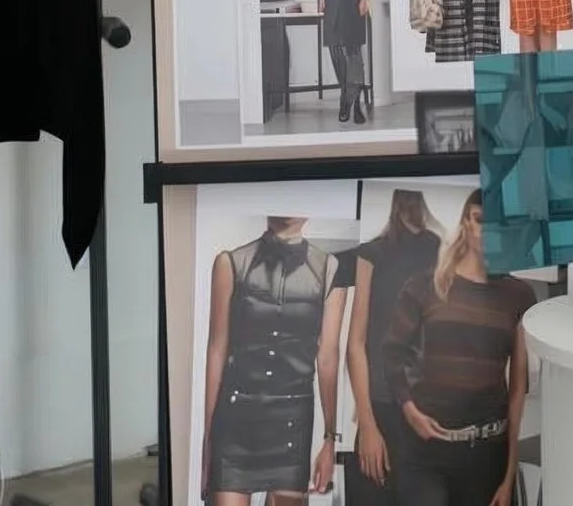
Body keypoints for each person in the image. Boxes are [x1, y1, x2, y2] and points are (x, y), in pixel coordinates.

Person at [377, 192, 537, 506]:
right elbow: (392, 352)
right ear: (466, 221)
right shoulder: (424, 286)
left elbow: (518, 390)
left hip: (487, 453)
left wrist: (508, 476)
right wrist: (409, 411)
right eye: (480, 220)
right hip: (425, 452)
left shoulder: (518, 295)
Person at [201, 216, 345, 505]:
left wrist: (330, 441)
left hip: (292, 425)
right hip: (236, 422)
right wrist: (208, 440)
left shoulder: (331, 269)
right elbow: (217, 349)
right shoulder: (231, 263)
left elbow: (328, 357)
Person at [344, 191, 447, 505]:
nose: (412, 207)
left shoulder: (440, 249)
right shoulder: (372, 253)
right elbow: (355, 343)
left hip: (427, 408)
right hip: (380, 408)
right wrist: (367, 423)